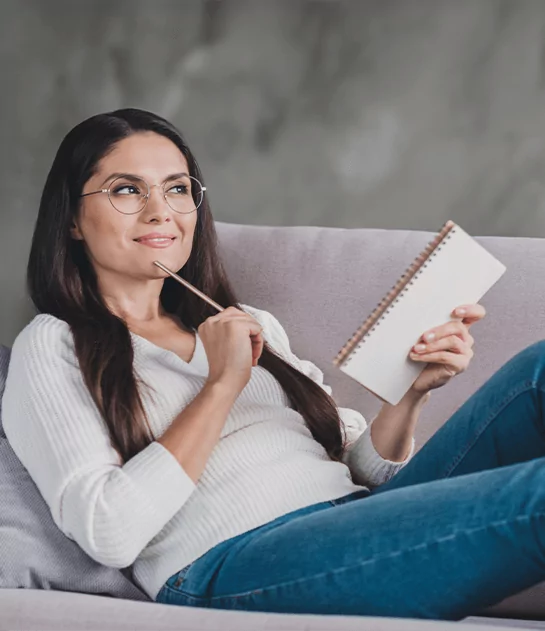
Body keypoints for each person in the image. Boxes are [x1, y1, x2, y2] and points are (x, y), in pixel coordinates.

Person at [3, 108, 545, 621]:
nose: (160, 211)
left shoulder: (247, 322)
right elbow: (108, 530)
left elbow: (358, 468)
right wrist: (220, 386)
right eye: (127, 189)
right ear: (73, 218)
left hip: (352, 518)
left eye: (177, 188)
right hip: (233, 563)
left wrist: (411, 394)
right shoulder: (54, 345)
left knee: (537, 370)